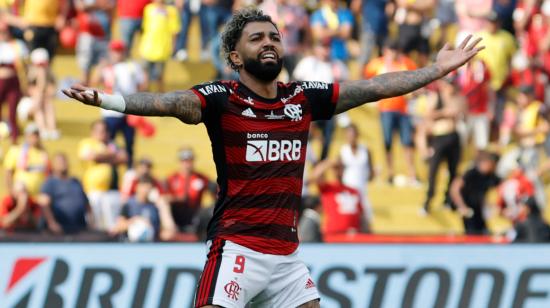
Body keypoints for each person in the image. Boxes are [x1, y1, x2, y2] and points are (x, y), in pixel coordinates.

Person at [63, 7, 483, 308]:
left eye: (274, 37)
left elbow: (375, 87)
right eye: (257, 38)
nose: (269, 43)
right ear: (234, 57)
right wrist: (110, 100)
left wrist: (435, 70)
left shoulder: (302, 97)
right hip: (236, 247)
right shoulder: (220, 98)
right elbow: (168, 101)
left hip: (286, 256)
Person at [364, 39, 419, 185]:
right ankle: (390, 172)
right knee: (387, 142)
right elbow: (366, 81)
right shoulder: (377, 64)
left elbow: (417, 81)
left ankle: (411, 173)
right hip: (386, 108)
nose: (393, 53)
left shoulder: (405, 63)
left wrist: (413, 94)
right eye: (390, 50)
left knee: (407, 142)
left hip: (403, 108)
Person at [91, 40, 147, 168]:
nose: (117, 54)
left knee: (129, 143)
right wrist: (101, 67)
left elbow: (142, 85)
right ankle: (110, 170)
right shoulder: (106, 67)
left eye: (119, 51)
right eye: (115, 51)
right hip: (111, 112)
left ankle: (129, 170)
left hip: (128, 110)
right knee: (107, 144)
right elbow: (94, 82)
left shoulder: (132, 66)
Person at [422, 76, 465, 214]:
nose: (450, 87)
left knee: (453, 171)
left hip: (453, 136)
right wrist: (444, 113)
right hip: (440, 136)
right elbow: (428, 114)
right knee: (433, 171)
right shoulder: (437, 97)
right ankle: (428, 200)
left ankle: (448, 200)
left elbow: (463, 113)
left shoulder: (458, 98)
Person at [78, 119, 127, 231]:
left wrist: (101, 157)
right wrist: (112, 156)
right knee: (96, 223)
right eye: (99, 131)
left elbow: (124, 158)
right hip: (93, 190)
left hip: (112, 190)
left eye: (105, 131)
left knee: (112, 225)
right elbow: (91, 156)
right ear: (92, 132)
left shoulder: (112, 144)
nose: (102, 134)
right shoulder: (87, 143)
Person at [308, 159, 369, 236]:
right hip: (332, 234)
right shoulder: (328, 188)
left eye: (341, 168)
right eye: (336, 168)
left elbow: (362, 216)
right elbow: (315, 177)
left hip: (352, 236)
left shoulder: (354, 191)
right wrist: (329, 163)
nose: (338, 171)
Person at [37, 152, 91, 235]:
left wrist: (91, 221)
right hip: (60, 231)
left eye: (64, 161)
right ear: (53, 165)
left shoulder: (76, 182)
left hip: (79, 228)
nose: (63, 164)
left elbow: (86, 203)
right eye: (59, 162)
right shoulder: (50, 182)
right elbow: (44, 204)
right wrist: (52, 223)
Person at [165, 147, 216, 232]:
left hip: (195, 215)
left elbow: (216, 192)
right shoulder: (172, 178)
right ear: (180, 162)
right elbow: (164, 197)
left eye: (189, 161)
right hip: (176, 214)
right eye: (184, 161)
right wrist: (177, 198)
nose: (187, 164)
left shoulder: (201, 178)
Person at [450, 151, 500, 235]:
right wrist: (462, 206)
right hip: (467, 210)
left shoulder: (490, 176)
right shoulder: (470, 173)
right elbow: (455, 189)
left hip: (479, 210)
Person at [140, 0, 181, 92]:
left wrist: (173, 46)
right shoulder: (148, 8)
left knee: (159, 75)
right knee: (145, 74)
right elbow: (145, 27)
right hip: (147, 47)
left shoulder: (172, 10)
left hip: (163, 48)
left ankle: (161, 96)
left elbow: (174, 30)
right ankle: (144, 95)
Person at [339, 123, 374, 223]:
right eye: (349, 135)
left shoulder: (366, 150)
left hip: (362, 191)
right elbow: (339, 174)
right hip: (347, 193)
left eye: (353, 135)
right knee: (349, 220)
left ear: (357, 135)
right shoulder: (343, 151)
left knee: (366, 219)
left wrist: (371, 174)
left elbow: (371, 173)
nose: (351, 137)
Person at [3, 124, 49, 197]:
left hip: (39, 194)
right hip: (21, 194)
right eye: (31, 135)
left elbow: (48, 172)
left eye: (36, 135)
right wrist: (11, 193)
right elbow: (8, 173)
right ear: (26, 136)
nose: (34, 138)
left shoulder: (43, 153)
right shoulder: (16, 150)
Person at [0, 20, 27, 142]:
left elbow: (24, 65)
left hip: (13, 83)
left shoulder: (17, 45)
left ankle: (14, 138)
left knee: (12, 112)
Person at [27, 47, 60, 140]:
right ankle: (43, 129)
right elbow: (31, 87)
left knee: (48, 106)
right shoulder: (32, 72)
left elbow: (52, 86)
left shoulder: (48, 72)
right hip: (32, 103)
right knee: (39, 108)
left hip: (42, 99)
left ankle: (51, 129)